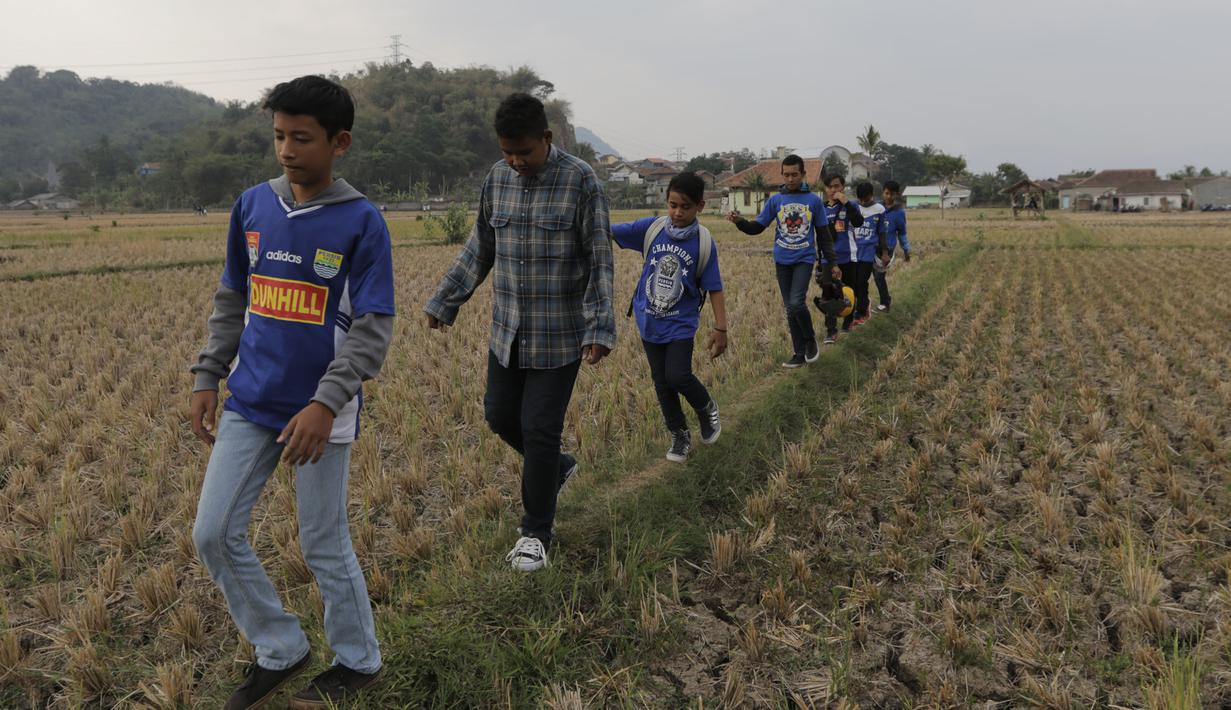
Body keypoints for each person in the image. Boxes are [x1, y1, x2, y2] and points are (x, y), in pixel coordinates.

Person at [189, 76, 393, 709]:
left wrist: (325, 402)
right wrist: (207, 375)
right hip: (251, 399)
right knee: (213, 534)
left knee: (323, 542)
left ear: (340, 143)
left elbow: (371, 329)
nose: (286, 149)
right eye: (278, 135)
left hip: (321, 410)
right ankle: (280, 647)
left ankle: (358, 661)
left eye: (301, 138)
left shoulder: (362, 222)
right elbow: (233, 299)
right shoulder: (252, 206)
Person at [424, 92, 615, 573]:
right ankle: (558, 468)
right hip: (506, 331)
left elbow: (599, 259)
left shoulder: (581, 182)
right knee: (498, 416)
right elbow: (480, 248)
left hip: (560, 334)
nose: (515, 161)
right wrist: (446, 300)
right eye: (507, 152)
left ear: (547, 139)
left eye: (524, 152)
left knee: (539, 428)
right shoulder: (497, 179)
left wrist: (599, 326)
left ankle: (535, 533)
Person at [611, 172, 727, 463]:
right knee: (661, 383)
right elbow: (611, 230)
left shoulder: (703, 243)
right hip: (649, 320)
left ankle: (706, 407)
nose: (676, 212)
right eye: (672, 204)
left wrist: (721, 328)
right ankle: (679, 435)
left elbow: (714, 287)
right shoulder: (651, 229)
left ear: (700, 206)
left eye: (684, 206)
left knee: (677, 375)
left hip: (680, 323)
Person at [726, 155, 838, 367]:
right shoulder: (776, 201)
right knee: (790, 308)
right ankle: (798, 354)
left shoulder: (813, 201)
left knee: (796, 303)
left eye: (794, 174)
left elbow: (824, 236)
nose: (790, 178)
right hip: (782, 260)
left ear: (803, 174)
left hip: (804, 258)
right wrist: (739, 221)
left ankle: (809, 340)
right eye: (786, 174)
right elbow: (756, 228)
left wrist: (831, 264)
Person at [818, 173, 864, 344]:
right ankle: (831, 330)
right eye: (829, 187)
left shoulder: (850, 206)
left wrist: (846, 202)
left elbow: (858, 222)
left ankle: (848, 322)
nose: (833, 190)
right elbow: (818, 236)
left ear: (842, 187)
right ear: (825, 189)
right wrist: (818, 260)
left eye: (836, 186)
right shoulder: (821, 209)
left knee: (849, 292)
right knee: (828, 294)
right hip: (828, 260)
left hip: (848, 256)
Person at [874, 180, 911, 313]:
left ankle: (885, 303)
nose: (888, 197)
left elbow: (902, 234)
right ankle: (862, 305)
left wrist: (907, 252)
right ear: (883, 192)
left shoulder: (899, 213)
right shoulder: (876, 207)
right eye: (886, 193)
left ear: (896, 195)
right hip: (872, 246)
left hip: (886, 250)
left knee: (879, 277)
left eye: (892, 194)